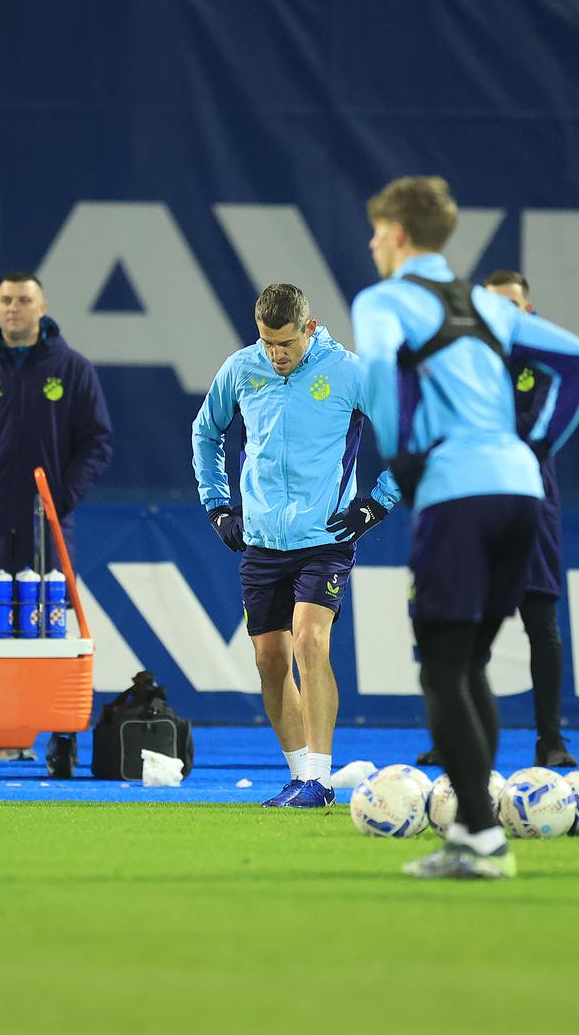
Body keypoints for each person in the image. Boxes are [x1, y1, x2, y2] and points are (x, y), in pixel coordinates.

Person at [351, 176, 579, 879]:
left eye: (375, 232)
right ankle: (471, 831)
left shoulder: (383, 300)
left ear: (398, 234)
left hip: (455, 493)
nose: (371, 244)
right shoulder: (490, 304)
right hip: (520, 492)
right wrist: (538, 443)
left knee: (440, 670)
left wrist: (402, 455)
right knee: (467, 670)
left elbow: (375, 365)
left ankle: (483, 844)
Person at [191, 283, 401, 809]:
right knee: (269, 661)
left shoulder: (350, 372)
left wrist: (377, 504)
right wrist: (218, 504)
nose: (275, 354)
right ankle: (300, 774)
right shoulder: (242, 367)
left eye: (285, 343)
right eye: (266, 342)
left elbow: (410, 438)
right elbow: (205, 433)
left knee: (310, 641)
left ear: (309, 328)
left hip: (324, 538)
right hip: (261, 541)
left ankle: (321, 780)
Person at [416, 269, 578, 770]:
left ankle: (550, 739)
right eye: (495, 305)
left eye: (513, 305)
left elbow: (540, 428)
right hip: (467, 500)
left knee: (540, 624)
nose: (504, 314)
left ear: (529, 311)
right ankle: (454, 737)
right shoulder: (463, 360)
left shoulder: (545, 365)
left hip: (530, 500)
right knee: (460, 623)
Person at [0, 271, 112, 573]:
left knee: (46, 617)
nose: (13, 307)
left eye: (24, 300)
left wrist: (63, 498)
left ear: (42, 308)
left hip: (48, 524)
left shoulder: (74, 369)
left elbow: (97, 442)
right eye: (6, 300)